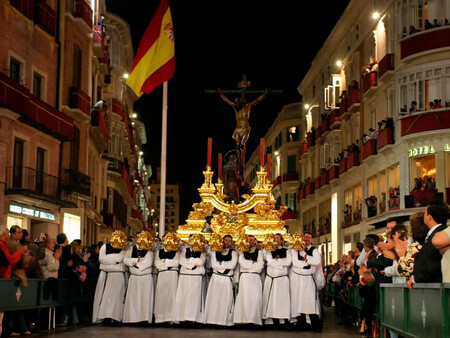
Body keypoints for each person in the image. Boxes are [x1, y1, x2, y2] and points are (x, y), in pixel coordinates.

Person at [217, 88, 270, 177]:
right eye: (236, 104)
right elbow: (226, 100)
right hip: (237, 129)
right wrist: (220, 93)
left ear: (241, 103)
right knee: (238, 146)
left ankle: (242, 162)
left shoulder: (248, 106)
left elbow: (257, 100)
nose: (237, 105)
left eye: (238, 104)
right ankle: (239, 162)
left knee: (242, 144)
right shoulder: (235, 108)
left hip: (245, 128)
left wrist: (265, 93)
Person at [290, 232, 322, 332]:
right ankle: (302, 324)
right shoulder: (295, 250)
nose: (306, 239)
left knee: (310, 302)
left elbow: (316, 262)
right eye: (305, 237)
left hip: (308, 279)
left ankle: (315, 325)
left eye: (309, 237)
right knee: (298, 301)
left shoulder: (314, 250)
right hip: (298, 279)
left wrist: (306, 257)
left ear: (311, 239)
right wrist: (306, 264)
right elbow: (295, 263)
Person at [92, 232, 126, 325]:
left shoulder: (123, 249)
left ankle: (115, 318)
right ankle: (105, 317)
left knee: (117, 298)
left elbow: (120, 258)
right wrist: (114, 262)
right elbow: (102, 259)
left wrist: (109, 260)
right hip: (106, 275)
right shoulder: (104, 247)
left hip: (117, 276)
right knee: (105, 297)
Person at [204, 234, 238, 326]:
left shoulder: (233, 253)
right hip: (216, 278)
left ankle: (225, 321)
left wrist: (221, 264)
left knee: (226, 300)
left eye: (229, 241)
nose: (227, 242)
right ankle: (213, 320)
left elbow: (232, 265)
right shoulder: (215, 252)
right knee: (215, 299)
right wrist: (224, 265)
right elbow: (214, 265)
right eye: (225, 240)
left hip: (227, 279)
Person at [412, 201, 448, 285]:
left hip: (435, 287)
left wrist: (416, 280)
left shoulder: (441, 235)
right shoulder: (433, 234)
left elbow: (434, 264)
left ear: (429, 217)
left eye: (425, 212)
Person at [174, 235, 206, 324]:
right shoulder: (185, 250)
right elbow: (181, 261)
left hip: (196, 276)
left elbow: (201, 262)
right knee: (183, 297)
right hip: (184, 275)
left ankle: (194, 319)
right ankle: (182, 318)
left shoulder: (202, 252)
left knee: (194, 298)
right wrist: (192, 264)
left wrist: (189, 262)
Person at [122, 233, 154, 324]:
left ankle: (144, 319)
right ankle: (132, 318)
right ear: (136, 238)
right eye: (139, 237)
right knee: (133, 299)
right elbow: (125, 260)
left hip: (145, 277)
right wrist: (135, 261)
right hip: (134, 278)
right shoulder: (130, 250)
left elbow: (148, 262)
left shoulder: (149, 251)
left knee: (144, 299)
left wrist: (134, 265)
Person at [262, 234, 291, 327]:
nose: (275, 240)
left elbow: (288, 262)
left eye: (277, 238)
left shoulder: (287, 251)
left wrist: (276, 262)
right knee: (272, 300)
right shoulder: (269, 250)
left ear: (282, 241)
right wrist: (280, 264)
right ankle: (274, 320)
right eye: (274, 238)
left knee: (283, 300)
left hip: (282, 279)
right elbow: (269, 261)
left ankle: (285, 320)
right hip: (271, 279)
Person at [234, 235, 264, 326]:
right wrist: (252, 264)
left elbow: (260, 266)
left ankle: (253, 319)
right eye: (249, 240)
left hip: (255, 277)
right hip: (245, 277)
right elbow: (241, 262)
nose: (250, 242)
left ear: (255, 241)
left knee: (255, 298)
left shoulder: (259, 252)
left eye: (252, 240)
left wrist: (250, 266)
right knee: (244, 298)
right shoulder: (242, 252)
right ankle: (243, 320)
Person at [154, 234, 180, 324]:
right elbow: (157, 264)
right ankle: (160, 318)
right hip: (162, 274)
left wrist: (164, 262)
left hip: (172, 274)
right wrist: (168, 263)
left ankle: (171, 318)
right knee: (161, 295)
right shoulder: (159, 252)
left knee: (172, 294)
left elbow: (176, 263)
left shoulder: (176, 252)